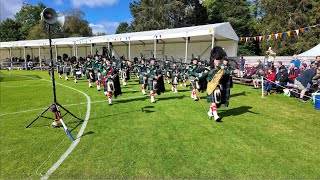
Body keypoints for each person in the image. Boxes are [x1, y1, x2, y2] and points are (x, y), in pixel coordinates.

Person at [196, 46, 238, 122]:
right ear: (213, 60)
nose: (219, 61)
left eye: (220, 59)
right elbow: (203, 76)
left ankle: (210, 112)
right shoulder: (209, 69)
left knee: (216, 102)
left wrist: (233, 72)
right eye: (217, 59)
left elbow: (226, 72)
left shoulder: (220, 70)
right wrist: (196, 79)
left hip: (218, 88)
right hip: (211, 87)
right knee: (214, 102)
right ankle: (216, 116)